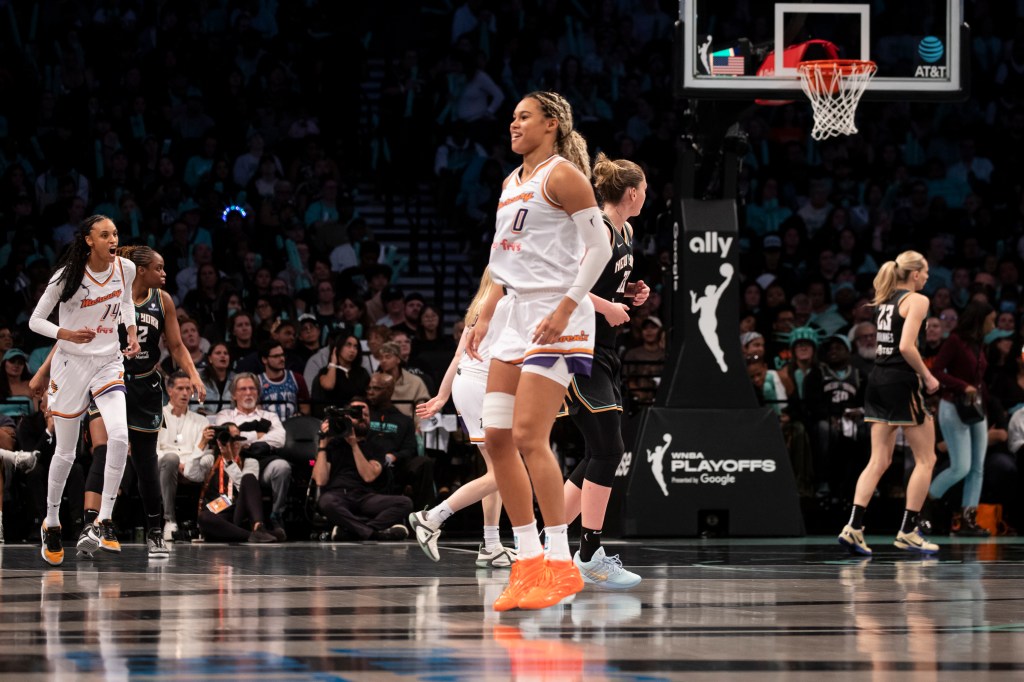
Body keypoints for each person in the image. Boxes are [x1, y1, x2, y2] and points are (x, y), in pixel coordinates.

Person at [465, 91, 612, 611]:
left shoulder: (563, 176)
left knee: (530, 436)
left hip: (558, 314)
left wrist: (568, 305)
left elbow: (600, 248)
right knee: (498, 438)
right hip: (515, 315)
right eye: (511, 117)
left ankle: (560, 560)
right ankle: (526, 562)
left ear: (551, 124)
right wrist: (485, 311)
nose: (513, 124)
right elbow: (502, 261)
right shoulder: (511, 183)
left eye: (523, 117)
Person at [28, 214, 141, 566]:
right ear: (89, 240)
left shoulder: (126, 268)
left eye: (116, 234)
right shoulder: (68, 276)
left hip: (108, 361)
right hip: (71, 363)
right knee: (65, 450)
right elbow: (36, 320)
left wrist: (131, 331)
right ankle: (51, 522)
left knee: (120, 436)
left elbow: (124, 303)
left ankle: (103, 519)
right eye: (105, 234)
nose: (113, 239)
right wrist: (66, 334)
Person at [560, 153, 651, 589]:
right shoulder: (592, 226)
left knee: (603, 449)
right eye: (646, 189)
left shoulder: (627, 230)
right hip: (580, 348)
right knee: (609, 448)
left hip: (607, 350)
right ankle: (589, 551)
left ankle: (548, 542)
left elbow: (604, 281)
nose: (647, 195)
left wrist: (629, 291)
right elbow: (566, 281)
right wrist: (607, 306)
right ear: (632, 192)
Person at [409, 268, 518, 567]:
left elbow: (458, 356)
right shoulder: (504, 302)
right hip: (483, 387)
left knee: (495, 471)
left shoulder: (481, 304)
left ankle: (492, 546)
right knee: (505, 472)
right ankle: (431, 518)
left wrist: (443, 396)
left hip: (467, 384)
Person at [838, 251, 941, 556]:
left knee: (878, 460)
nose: (927, 277)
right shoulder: (917, 300)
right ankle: (909, 530)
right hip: (900, 380)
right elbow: (906, 346)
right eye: (925, 272)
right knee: (927, 460)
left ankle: (853, 528)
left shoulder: (886, 300)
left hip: (878, 380)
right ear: (915, 274)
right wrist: (927, 376)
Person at [927, 300, 994, 536]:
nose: (993, 325)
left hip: (976, 408)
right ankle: (922, 505)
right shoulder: (955, 341)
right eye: (991, 320)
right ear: (980, 319)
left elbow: (979, 380)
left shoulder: (979, 343)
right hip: (953, 406)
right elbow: (935, 371)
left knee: (977, 468)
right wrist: (961, 385)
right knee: (961, 467)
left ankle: (968, 519)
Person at [311, 398, 411, 541]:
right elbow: (320, 480)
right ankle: (373, 533)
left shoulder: (376, 445)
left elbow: (368, 476)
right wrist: (322, 445)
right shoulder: (333, 444)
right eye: (356, 415)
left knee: (404, 503)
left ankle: (352, 531)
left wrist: (354, 445)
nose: (362, 418)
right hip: (338, 495)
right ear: (346, 418)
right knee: (326, 502)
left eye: (366, 415)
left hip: (365, 497)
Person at [214, 373, 290, 540]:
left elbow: (279, 439)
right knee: (206, 516)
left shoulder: (269, 416)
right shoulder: (225, 415)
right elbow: (225, 439)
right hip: (230, 475)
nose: (248, 393)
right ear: (234, 394)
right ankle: (250, 529)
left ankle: (272, 518)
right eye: (243, 389)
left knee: (278, 467)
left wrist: (242, 436)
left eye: (252, 388)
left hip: (260, 465)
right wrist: (259, 435)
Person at [159, 371, 218, 541]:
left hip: (192, 467)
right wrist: (176, 462)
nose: (185, 393)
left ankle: (202, 521)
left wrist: (186, 463)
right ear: (170, 391)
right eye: (180, 388)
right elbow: (154, 450)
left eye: (188, 388)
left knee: (208, 460)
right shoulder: (158, 415)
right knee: (170, 459)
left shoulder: (201, 421)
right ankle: (169, 520)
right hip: (163, 465)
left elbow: (206, 451)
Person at [196, 422, 278, 543]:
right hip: (217, 511)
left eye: (238, 439)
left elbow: (245, 489)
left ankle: (258, 527)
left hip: (238, 510)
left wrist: (229, 462)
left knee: (249, 478)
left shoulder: (250, 462)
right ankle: (252, 535)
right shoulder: (210, 459)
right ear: (220, 441)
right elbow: (190, 474)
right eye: (230, 439)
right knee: (204, 517)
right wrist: (202, 443)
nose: (235, 443)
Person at [311, 333, 370, 418]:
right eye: (348, 345)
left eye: (355, 347)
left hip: (357, 418)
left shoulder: (362, 373)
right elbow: (328, 385)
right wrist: (333, 363)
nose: (352, 350)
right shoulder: (325, 371)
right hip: (333, 418)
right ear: (338, 348)